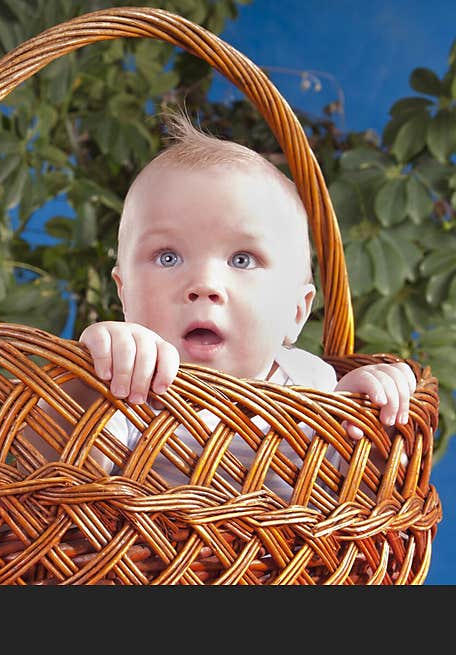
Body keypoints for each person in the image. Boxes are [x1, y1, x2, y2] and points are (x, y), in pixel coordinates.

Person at [26, 111, 415, 499]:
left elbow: (362, 501)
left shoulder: (312, 384)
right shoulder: (132, 385)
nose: (204, 285)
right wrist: (88, 379)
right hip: (133, 557)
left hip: (282, 559)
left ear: (297, 312)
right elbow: (51, 480)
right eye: (168, 257)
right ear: (124, 294)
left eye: (242, 260)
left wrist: (367, 409)